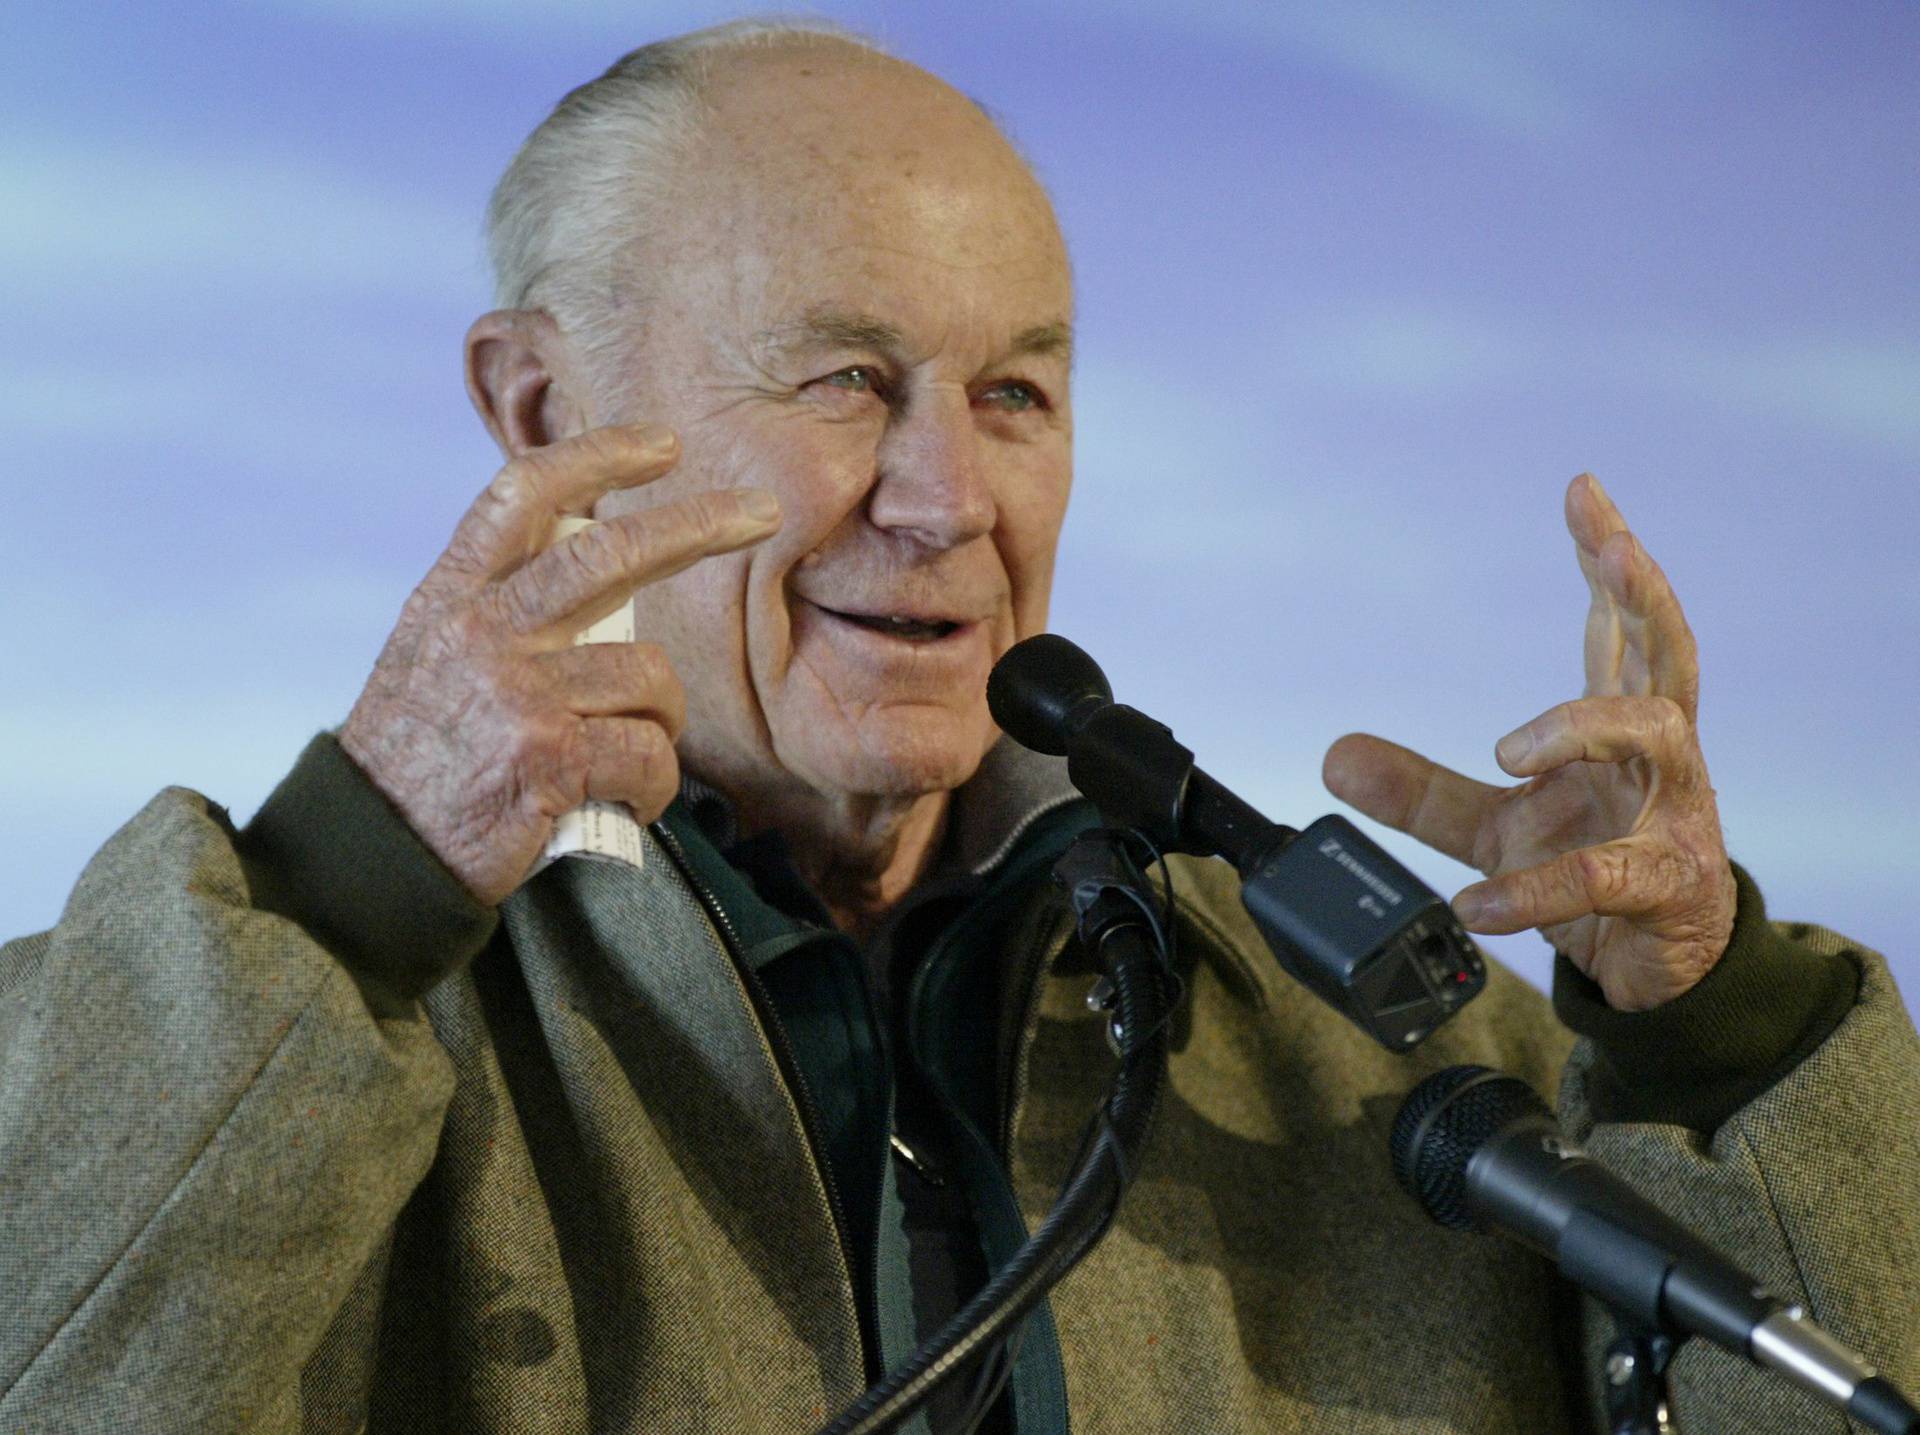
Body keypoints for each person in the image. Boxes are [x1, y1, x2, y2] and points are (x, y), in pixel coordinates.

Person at [2, 19, 1914, 1435]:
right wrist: (353, 886)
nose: (945, 498)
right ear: (535, 409)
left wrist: (1699, 1029)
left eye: (1013, 393)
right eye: (845, 376)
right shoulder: (244, 1016)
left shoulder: (1364, 1052)